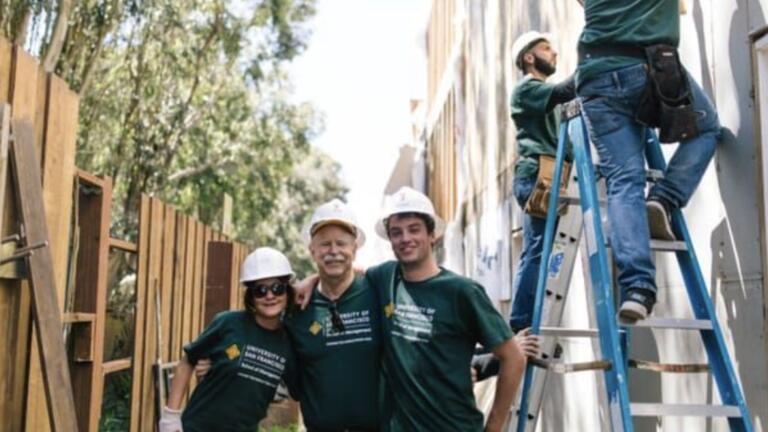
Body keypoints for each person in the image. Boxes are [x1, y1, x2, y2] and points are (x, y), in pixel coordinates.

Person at [576, 0, 721, 322]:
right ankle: (664, 198)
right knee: (707, 128)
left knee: (623, 180)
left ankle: (638, 289)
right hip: (647, 69)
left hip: (596, 77)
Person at [366, 186, 527, 432]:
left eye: (414, 229)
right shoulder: (384, 277)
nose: (405, 238)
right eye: (396, 233)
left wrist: (494, 428)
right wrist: (307, 283)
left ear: (433, 235)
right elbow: (344, 276)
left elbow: (514, 357)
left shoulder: (462, 292)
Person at [158, 247, 297, 432]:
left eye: (277, 288)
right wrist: (170, 417)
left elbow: (299, 388)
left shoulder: (290, 340)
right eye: (260, 290)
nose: (270, 296)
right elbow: (187, 362)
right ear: (251, 296)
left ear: (287, 292)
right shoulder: (228, 323)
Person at [285, 198, 382, 431]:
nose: (334, 252)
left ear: (355, 249)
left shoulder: (379, 293)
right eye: (325, 244)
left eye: (341, 243)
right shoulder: (297, 309)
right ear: (312, 250)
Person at [508, 31, 576, 332]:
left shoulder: (545, 96)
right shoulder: (527, 89)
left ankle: (530, 324)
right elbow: (564, 91)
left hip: (550, 176)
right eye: (546, 48)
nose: (554, 53)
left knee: (541, 251)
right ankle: (523, 326)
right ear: (529, 57)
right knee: (537, 251)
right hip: (539, 175)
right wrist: (593, 64)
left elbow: (567, 143)